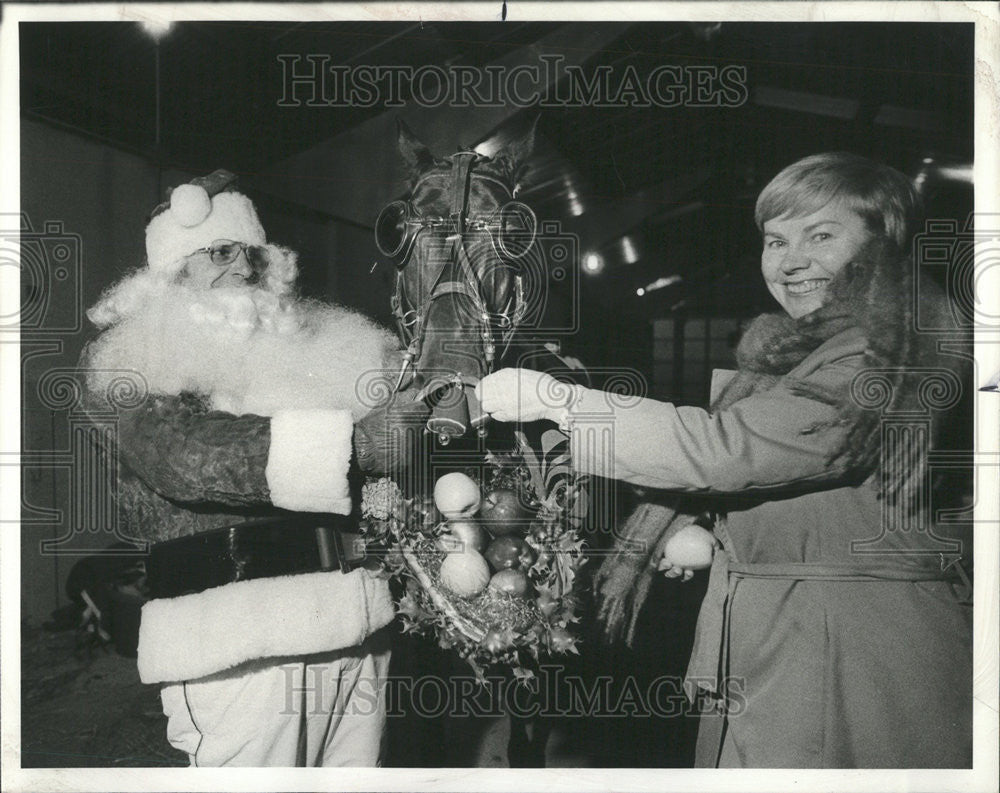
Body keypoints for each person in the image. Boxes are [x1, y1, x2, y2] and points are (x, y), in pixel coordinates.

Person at [475, 152, 973, 768]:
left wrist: (562, 402)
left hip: (851, 659)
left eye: (822, 235)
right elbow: (808, 481)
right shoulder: (815, 350)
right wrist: (713, 526)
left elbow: (726, 449)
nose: (791, 260)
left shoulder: (885, 355)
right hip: (796, 639)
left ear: (885, 245)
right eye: (776, 240)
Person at [81, 170, 424, 766]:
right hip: (240, 647)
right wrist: (359, 445)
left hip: (356, 628)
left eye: (252, 254)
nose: (242, 269)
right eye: (218, 252)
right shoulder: (130, 357)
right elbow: (186, 456)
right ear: (171, 269)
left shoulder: (317, 346)